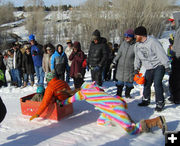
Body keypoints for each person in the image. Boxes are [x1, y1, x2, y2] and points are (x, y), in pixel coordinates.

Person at [62, 82, 167, 135]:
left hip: (113, 108)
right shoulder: (95, 88)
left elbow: (71, 100)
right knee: (101, 121)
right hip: (113, 104)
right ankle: (125, 120)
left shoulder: (82, 93)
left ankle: (155, 121)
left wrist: (61, 103)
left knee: (131, 130)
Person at [134, 26, 171, 112]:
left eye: (136, 35)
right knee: (146, 83)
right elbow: (137, 58)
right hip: (149, 67)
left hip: (159, 65)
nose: (135, 37)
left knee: (157, 84)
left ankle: (160, 102)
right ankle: (146, 100)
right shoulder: (137, 45)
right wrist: (136, 68)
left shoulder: (153, 42)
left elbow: (161, 54)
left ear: (141, 35)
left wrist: (167, 66)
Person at [111, 29, 135, 98]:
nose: (126, 38)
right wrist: (114, 61)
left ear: (132, 37)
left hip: (130, 67)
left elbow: (137, 58)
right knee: (120, 82)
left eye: (128, 36)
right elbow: (119, 54)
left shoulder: (135, 45)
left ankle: (127, 94)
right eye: (125, 36)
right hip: (121, 66)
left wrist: (137, 68)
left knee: (129, 83)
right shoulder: (123, 44)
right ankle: (118, 94)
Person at [169, 21, 180, 104]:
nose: (172, 23)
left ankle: (176, 97)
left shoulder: (179, 31)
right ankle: (175, 96)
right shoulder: (177, 31)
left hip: (177, 58)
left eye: (173, 22)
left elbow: (177, 47)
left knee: (175, 79)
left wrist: (174, 53)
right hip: (176, 57)